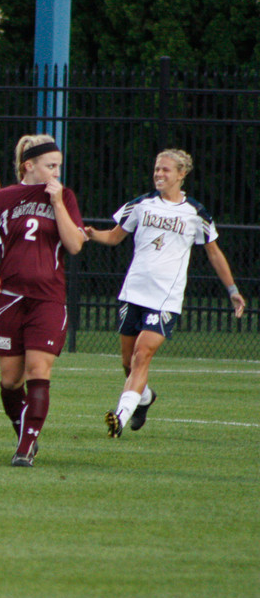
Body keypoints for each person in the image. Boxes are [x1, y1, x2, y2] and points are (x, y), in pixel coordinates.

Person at [85, 149, 246, 438]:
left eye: (166, 170)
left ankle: (120, 417)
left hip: (165, 299)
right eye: (157, 168)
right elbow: (113, 237)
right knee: (127, 361)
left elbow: (213, 253)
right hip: (132, 292)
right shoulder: (141, 205)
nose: (159, 174)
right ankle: (144, 398)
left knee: (141, 355)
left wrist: (232, 290)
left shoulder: (195, 213)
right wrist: (90, 233)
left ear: (182, 174)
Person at [0, 134, 86, 467]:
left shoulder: (63, 196)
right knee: (10, 380)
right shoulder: (3, 197)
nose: (56, 173)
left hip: (47, 298)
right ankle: (24, 431)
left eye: (58, 167)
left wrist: (58, 204)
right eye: (50, 166)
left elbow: (75, 245)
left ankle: (25, 448)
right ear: (29, 165)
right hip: (10, 298)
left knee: (39, 369)